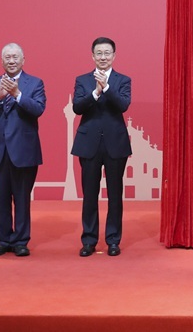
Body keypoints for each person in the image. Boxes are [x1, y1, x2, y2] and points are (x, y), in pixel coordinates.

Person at [0, 43, 45, 257]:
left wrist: (18, 94)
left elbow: (38, 109)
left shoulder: (35, 83)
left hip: (24, 151)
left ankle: (21, 241)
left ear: (23, 60)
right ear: (2, 61)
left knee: (22, 198)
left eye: (15, 57)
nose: (11, 61)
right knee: (1, 198)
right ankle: (3, 239)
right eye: (7, 57)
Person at [71, 37, 133, 257]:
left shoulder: (122, 80)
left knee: (115, 194)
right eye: (99, 53)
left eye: (107, 53)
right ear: (92, 56)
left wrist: (106, 88)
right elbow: (77, 107)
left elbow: (123, 105)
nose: (103, 57)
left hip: (115, 144)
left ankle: (113, 240)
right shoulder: (82, 80)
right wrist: (95, 93)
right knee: (90, 194)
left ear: (114, 56)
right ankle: (89, 240)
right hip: (89, 144)